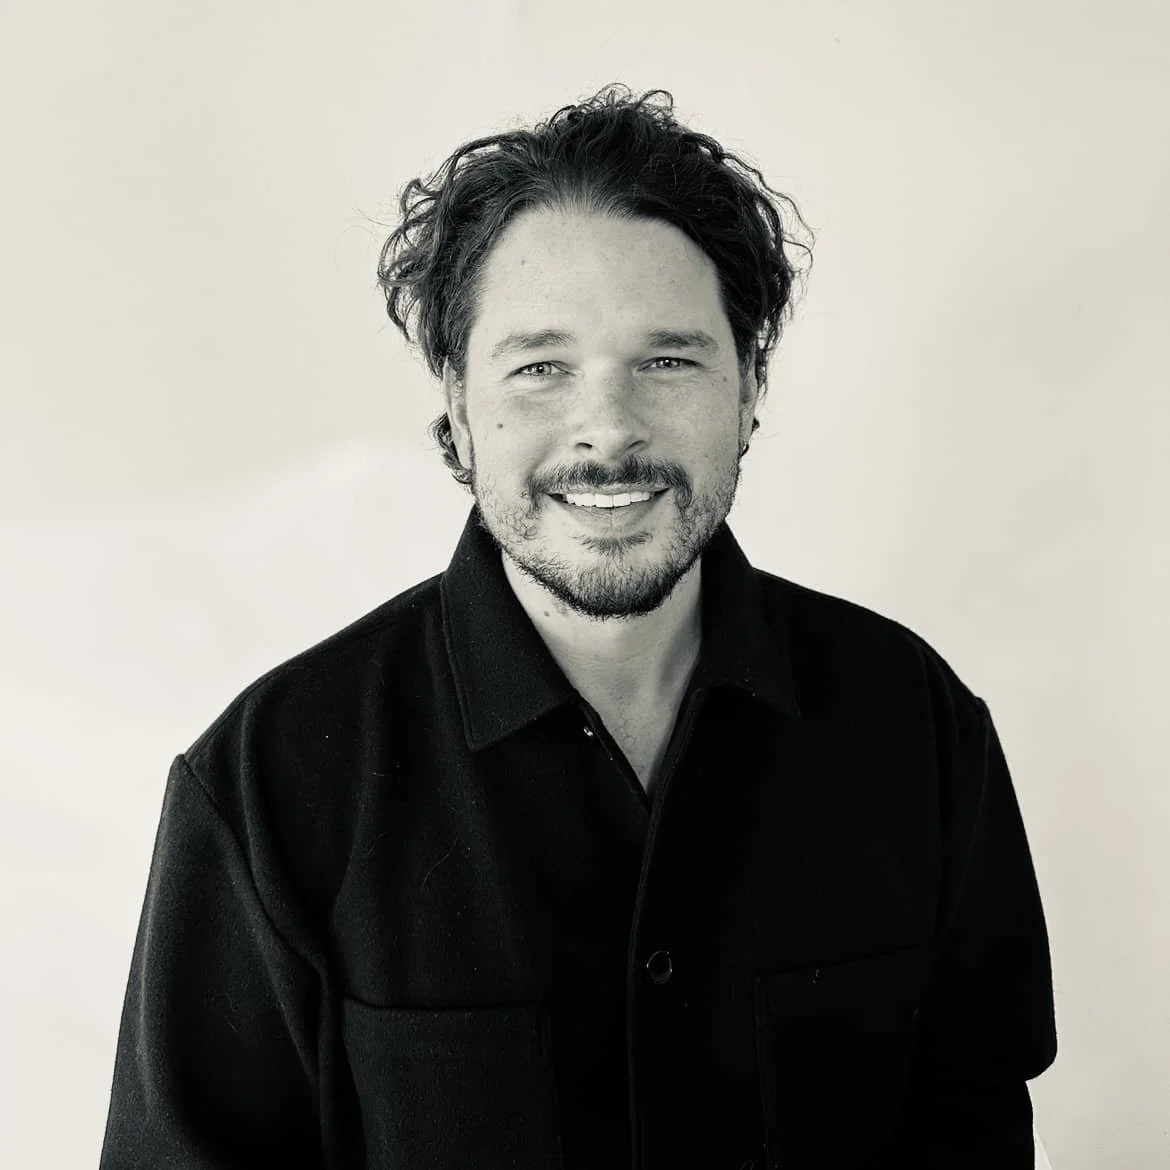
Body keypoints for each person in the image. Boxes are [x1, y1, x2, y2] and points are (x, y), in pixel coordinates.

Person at [99, 83, 1057, 1169]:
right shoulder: (271, 781)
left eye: (668, 360)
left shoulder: (913, 725)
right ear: (458, 404)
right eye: (541, 368)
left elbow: (974, 1121)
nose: (608, 428)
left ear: (750, 388)